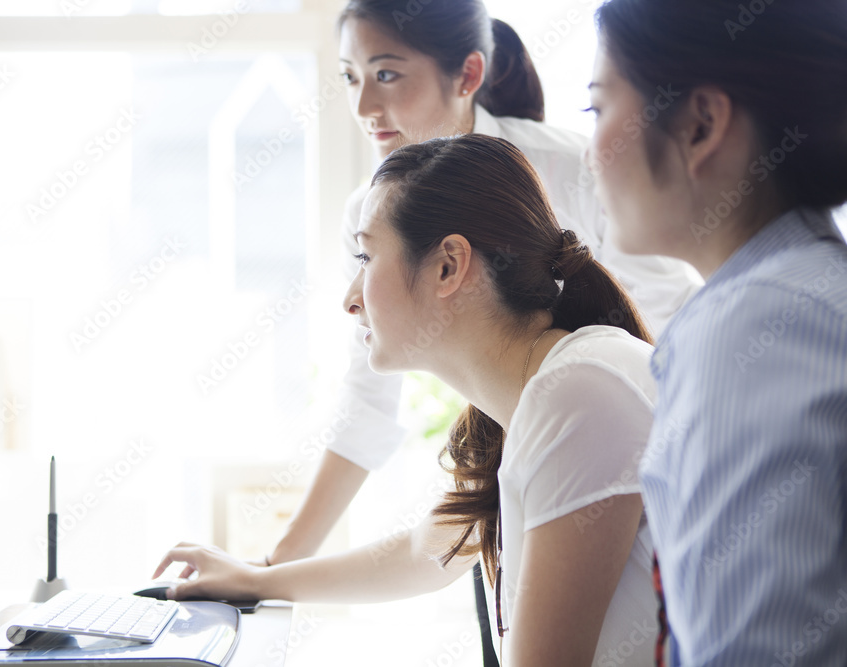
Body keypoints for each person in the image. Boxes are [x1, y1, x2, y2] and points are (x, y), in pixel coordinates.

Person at [154, 134, 661, 666]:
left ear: (448, 266)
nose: (351, 299)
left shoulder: (580, 393)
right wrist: (258, 579)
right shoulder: (532, 402)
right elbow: (425, 552)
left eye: (366, 256)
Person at [264, 0, 700, 571]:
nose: (365, 106)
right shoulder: (369, 210)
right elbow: (369, 402)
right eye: (350, 77)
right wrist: (271, 568)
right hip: (512, 457)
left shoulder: (572, 170)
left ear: (468, 75)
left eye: (387, 74)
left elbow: (679, 322)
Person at [585, 1, 847, 665]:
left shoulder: (754, 328)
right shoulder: (806, 290)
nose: (591, 151)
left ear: (700, 124)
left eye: (597, 108)